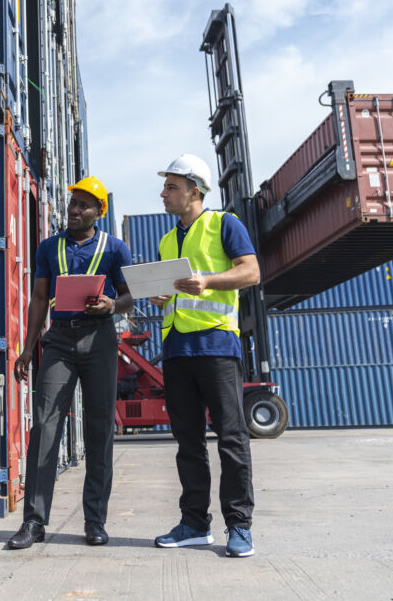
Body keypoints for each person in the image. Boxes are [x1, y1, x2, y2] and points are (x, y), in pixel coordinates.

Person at [7, 176, 133, 549]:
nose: (74, 210)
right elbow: (39, 298)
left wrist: (112, 305)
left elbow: (129, 297)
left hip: (100, 339)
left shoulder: (116, 249)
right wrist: (28, 347)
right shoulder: (48, 248)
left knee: (99, 431)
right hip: (59, 340)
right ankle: (33, 522)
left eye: (83, 205)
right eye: (72, 203)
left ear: (99, 212)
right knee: (44, 428)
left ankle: (95, 521)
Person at [150, 153, 261, 558]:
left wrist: (208, 281)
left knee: (231, 439)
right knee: (188, 442)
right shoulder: (166, 239)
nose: (164, 193)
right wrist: (161, 293)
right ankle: (195, 524)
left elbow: (251, 272)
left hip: (216, 346)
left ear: (194, 191)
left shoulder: (223, 224)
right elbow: (171, 291)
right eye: (165, 187)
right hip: (177, 350)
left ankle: (240, 526)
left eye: (171, 187)